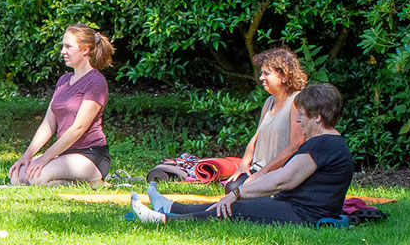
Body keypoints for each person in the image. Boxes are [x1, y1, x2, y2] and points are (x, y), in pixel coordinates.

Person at [133, 83, 352, 225]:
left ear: (317, 117)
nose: (297, 119)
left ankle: (164, 220)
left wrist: (238, 193)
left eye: (302, 114)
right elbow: (283, 178)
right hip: (297, 208)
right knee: (232, 203)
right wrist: (242, 191)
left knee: (234, 208)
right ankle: (171, 207)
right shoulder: (326, 143)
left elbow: (283, 180)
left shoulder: (325, 144)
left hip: (304, 215)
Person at [9, 25, 115, 186]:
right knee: (18, 177)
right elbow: (48, 123)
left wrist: (45, 158)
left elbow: (78, 128)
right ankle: (76, 182)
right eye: (62, 46)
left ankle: (94, 182)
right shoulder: (63, 81)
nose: (62, 51)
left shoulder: (96, 81)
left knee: (38, 177)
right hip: (65, 154)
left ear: (85, 50)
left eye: (68, 46)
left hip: (90, 155)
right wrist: (27, 156)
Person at [228, 47, 308, 185]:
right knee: (232, 187)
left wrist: (263, 172)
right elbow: (255, 138)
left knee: (241, 192)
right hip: (259, 170)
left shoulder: (297, 101)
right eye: (261, 73)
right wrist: (243, 165)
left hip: (280, 173)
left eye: (266, 73)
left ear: (284, 76)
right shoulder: (269, 101)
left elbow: (296, 145)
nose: (261, 78)